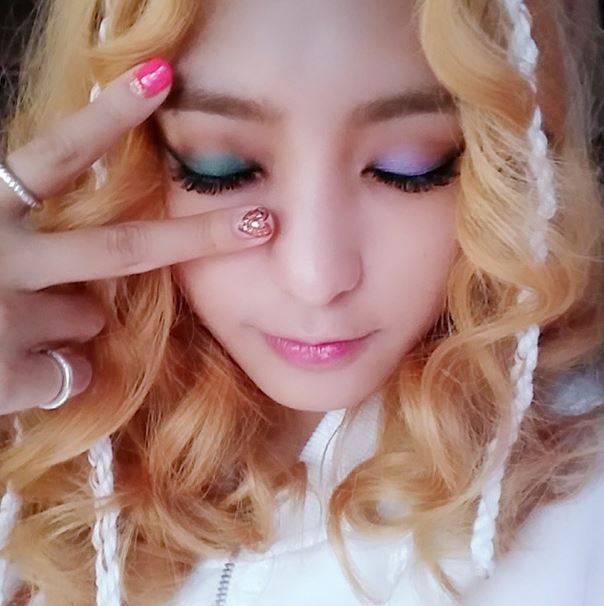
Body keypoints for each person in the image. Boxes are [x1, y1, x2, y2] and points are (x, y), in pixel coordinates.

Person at [0, 0, 603, 604]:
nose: (316, 277)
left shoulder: (581, 506)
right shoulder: (34, 433)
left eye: (410, 165)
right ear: (123, 167)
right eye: (220, 167)